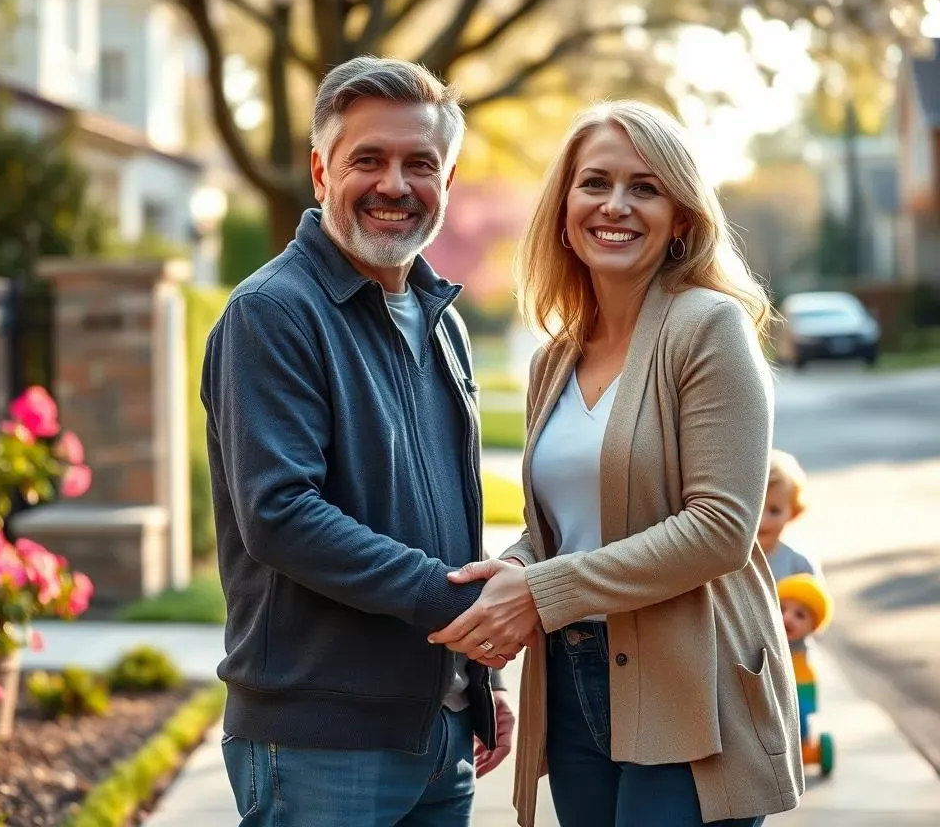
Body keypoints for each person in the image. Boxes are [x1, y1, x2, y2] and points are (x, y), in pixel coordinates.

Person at [429, 101, 803, 826]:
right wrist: (502, 578)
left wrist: (539, 591)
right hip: (570, 684)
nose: (616, 205)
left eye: (645, 187)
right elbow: (560, 530)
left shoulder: (709, 328)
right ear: (565, 208)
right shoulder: (555, 358)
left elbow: (721, 529)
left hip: (691, 684)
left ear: (682, 218)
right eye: (594, 183)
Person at [201, 56, 514, 827]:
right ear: (319, 171)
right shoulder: (274, 312)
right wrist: (457, 604)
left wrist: (480, 675)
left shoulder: (444, 322)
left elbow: (446, 513)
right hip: (321, 743)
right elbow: (280, 513)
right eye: (366, 159)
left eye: (421, 163)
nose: (394, 184)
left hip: (439, 735)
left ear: (447, 179)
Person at [777, 573, 835, 772]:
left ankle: (805, 747)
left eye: (799, 615)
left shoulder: (804, 648)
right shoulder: (768, 639)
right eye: (782, 609)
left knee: (801, 721)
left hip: (799, 690)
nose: (787, 618)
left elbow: (807, 677)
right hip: (775, 693)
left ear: (813, 626)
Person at [759, 449, 821, 582]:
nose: (762, 521)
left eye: (774, 511)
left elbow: (817, 600)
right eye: (757, 510)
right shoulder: (727, 559)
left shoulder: (800, 565)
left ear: (793, 511)